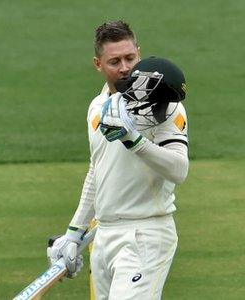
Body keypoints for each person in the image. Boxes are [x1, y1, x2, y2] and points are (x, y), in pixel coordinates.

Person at [46, 20, 189, 299]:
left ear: (139, 52)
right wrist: (74, 231)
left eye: (130, 58)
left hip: (146, 234)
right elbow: (97, 171)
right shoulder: (97, 106)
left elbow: (179, 170)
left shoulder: (164, 105)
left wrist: (133, 140)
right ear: (98, 64)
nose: (125, 67)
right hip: (103, 234)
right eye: (114, 61)